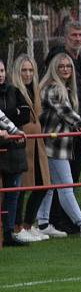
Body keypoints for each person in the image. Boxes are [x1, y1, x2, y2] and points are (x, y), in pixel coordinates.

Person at [36, 53, 81, 238]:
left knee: (52, 185)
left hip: (60, 143)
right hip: (52, 143)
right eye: (61, 66)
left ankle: (43, 223)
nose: (65, 69)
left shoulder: (66, 88)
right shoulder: (52, 88)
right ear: (54, 68)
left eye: (68, 66)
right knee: (66, 185)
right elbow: (65, 112)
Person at [44, 21, 81, 234]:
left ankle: (49, 222)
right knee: (63, 182)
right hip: (59, 136)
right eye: (74, 35)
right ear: (66, 37)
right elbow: (63, 108)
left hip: (76, 131)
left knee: (62, 181)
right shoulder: (55, 72)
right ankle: (75, 223)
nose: (78, 38)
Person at [10, 55, 51, 242]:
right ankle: (17, 227)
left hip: (38, 144)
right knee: (22, 186)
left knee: (43, 185)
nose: (27, 74)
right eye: (24, 70)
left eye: (30, 70)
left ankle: (28, 224)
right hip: (22, 143)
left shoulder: (35, 91)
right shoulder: (14, 91)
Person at [0, 59, 30, 247]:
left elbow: (24, 115)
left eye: (2, 70)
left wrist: (13, 130)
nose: (0, 74)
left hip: (14, 150)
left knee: (13, 192)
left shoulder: (13, 90)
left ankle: (9, 232)